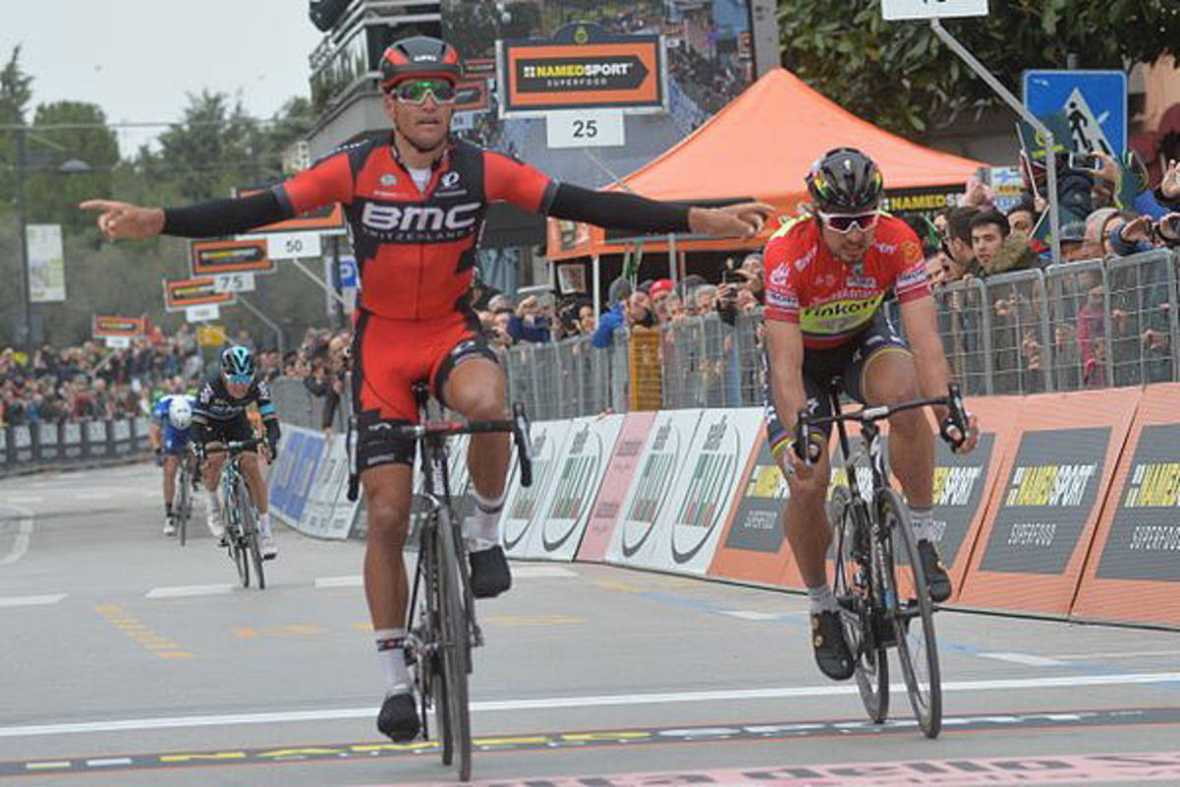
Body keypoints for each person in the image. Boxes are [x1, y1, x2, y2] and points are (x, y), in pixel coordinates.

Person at [81, 35, 771, 745]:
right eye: (412, 91)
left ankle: (484, 532)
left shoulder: (481, 168)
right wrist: (159, 221)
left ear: (454, 101)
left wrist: (697, 218)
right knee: (387, 515)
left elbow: (589, 203)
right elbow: (256, 210)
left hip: (447, 330)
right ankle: (394, 680)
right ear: (390, 104)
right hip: (381, 344)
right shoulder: (354, 169)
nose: (428, 102)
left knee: (489, 405)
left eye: (441, 89)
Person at [761, 148, 980, 683]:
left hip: (862, 343)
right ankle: (821, 606)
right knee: (809, 479)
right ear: (817, 216)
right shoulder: (786, 252)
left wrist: (949, 411)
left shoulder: (897, 240)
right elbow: (786, 367)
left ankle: (922, 537)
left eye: (865, 218)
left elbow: (925, 341)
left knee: (905, 393)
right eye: (841, 223)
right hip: (803, 364)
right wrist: (803, 436)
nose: (856, 233)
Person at [190, 346, 281, 559]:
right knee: (215, 459)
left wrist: (271, 443)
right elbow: (196, 424)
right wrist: (199, 448)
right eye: (235, 380)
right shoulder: (210, 385)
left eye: (245, 380)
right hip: (209, 423)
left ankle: (265, 532)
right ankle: (213, 508)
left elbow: (271, 421)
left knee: (251, 466)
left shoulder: (258, 384)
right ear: (224, 374)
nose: (241, 386)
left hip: (236, 421)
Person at [148, 393, 197, 536]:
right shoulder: (163, 406)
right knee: (169, 470)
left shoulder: (196, 404)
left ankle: (192, 479)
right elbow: (154, 430)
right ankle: (169, 514)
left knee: (195, 454)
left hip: (191, 430)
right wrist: (158, 450)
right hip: (172, 433)